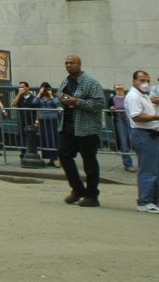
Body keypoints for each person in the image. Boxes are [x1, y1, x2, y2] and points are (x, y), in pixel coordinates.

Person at [57, 55, 104, 207]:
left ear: (79, 65)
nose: (68, 65)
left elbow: (98, 103)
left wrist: (77, 102)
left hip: (86, 128)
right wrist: (62, 100)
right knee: (63, 154)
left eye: (72, 63)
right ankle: (77, 189)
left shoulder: (91, 82)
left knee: (89, 162)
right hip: (68, 126)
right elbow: (61, 97)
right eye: (66, 63)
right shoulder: (65, 82)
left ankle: (92, 195)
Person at [125, 69, 159, 213]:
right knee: (148, 170)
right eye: (142, 80)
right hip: (144, 135)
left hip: (152, 135)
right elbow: (136, 117)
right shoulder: (134, 97)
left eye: (147, 80)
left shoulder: (143, 96)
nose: (145, 84)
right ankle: (145, 201)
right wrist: (158, 117)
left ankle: (154, 199)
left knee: (155, 169)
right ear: (134, 81)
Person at [110, 82, 136, 172]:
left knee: (135, 141)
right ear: (114, 88)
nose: (119, 85)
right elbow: (109, 111)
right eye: (116, 84)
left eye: (120, 84)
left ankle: (142, 163)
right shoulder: (113, 99)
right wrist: (111, 109)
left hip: (131, 120)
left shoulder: (129, 96)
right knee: (124, 142)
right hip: (120, 121)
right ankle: (128, 164)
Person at [33, 83, 60, 167]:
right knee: (45, 139)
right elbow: (34, 103)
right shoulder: (40, 97)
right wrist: (40, 93)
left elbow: (57, 103)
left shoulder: (53, 97)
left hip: (52, 119)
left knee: (53, 138)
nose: (45, 91)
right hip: (43, 119)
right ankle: (50, 158)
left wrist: (51, 95)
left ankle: (55, 158)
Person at [13, 81, 37, 157]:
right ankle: (23, 153)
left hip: (31, 121)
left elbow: (37, 109)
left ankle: (32, 152)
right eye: (20, 87)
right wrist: (19, 94)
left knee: (31, 138)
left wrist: (37, 121)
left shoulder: (33, 98)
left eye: (22, 87)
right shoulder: (20, 97)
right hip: (22, 120)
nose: (21, 89)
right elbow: (13, 103)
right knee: (22, 137)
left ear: (27, 88)